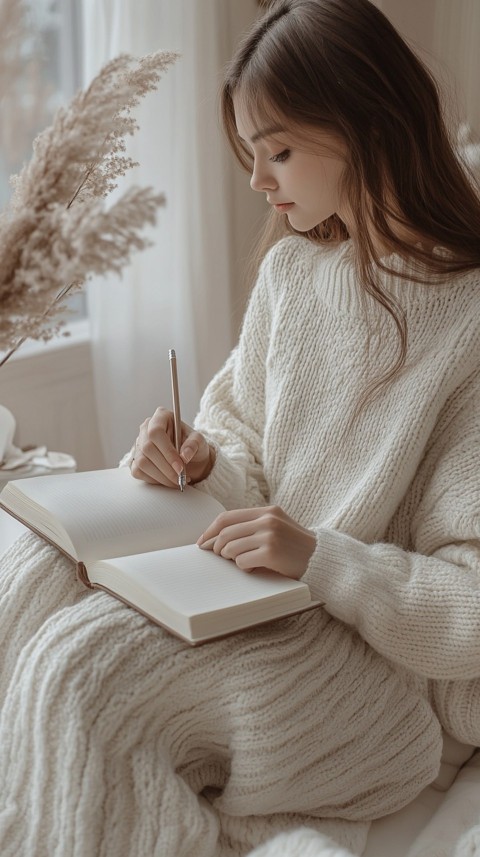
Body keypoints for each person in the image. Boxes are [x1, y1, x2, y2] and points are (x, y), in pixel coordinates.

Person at [0, 1, 479, 856]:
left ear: (368, 124)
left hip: (359, 656)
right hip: (247, 594)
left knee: (81, 672)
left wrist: (323, 558)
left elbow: (472, 601)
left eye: (279, 150)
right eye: (250, 154)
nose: (258, 181)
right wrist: (193, 460)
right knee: (26, 570)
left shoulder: (470, 322)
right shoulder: (296, 272)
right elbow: (241, 447)